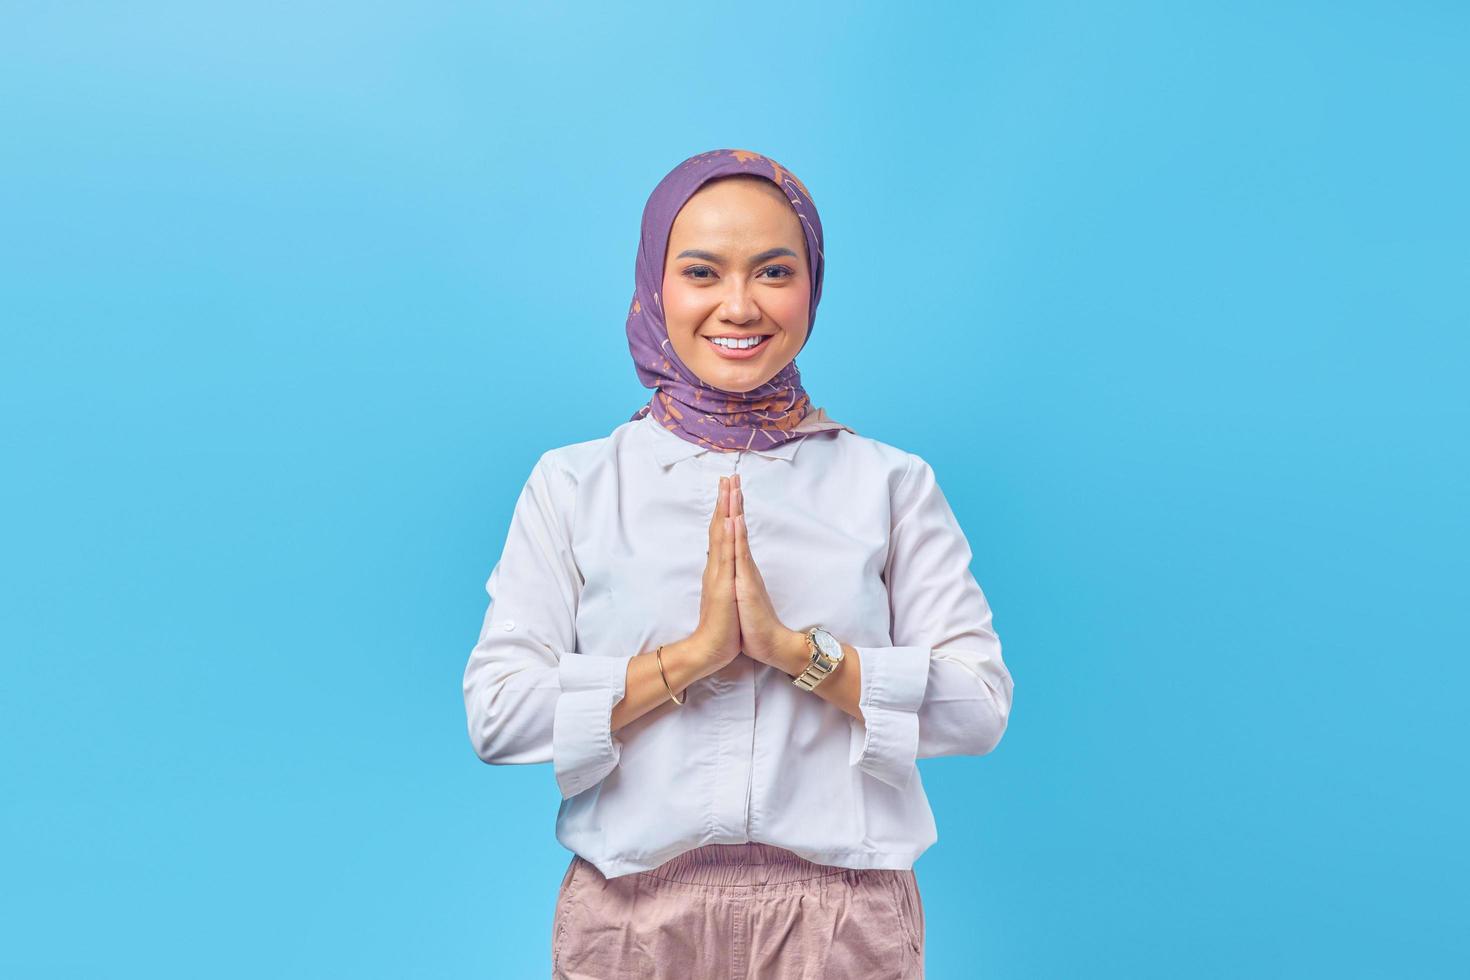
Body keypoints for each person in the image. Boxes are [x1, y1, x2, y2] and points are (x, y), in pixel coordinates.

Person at [462, 148, 1015, 979]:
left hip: (842, 919)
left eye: (773, 271)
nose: (739, 304)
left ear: (812, 285)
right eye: (701, 271)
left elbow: (979, 706)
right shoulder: (575, 484)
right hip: (631, 919)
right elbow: (498, 715)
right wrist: (688, 660)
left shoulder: (890, 484)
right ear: (655, 283)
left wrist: (801, 654)